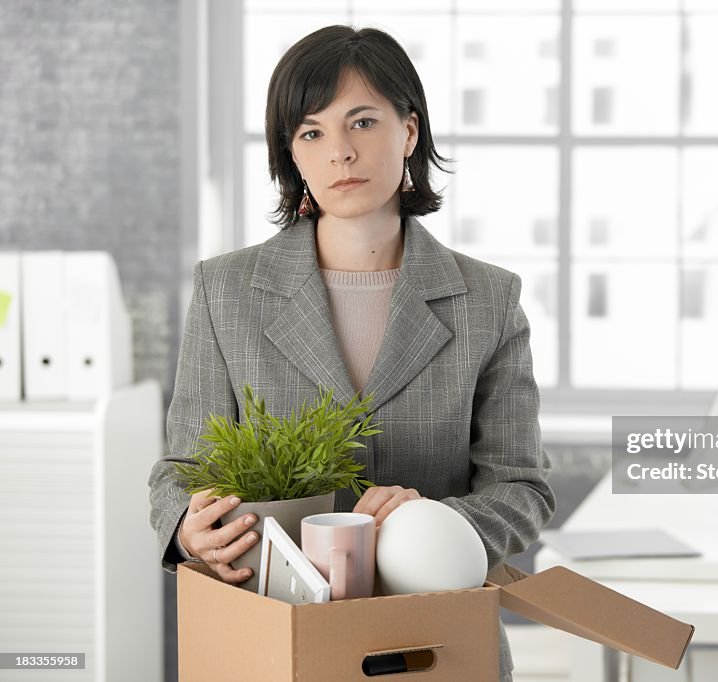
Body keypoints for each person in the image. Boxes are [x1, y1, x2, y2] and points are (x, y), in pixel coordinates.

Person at [147, 24, 556, 681]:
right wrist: (186, 529)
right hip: (273, 647)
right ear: (293, 155)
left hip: (437, 645)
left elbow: (523, 489)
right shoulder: (226, 291)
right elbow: (182, 469)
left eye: (362, 122)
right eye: (311, 132)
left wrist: (431, 524)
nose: (340, 151)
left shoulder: (489, 299)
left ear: (410, 132)